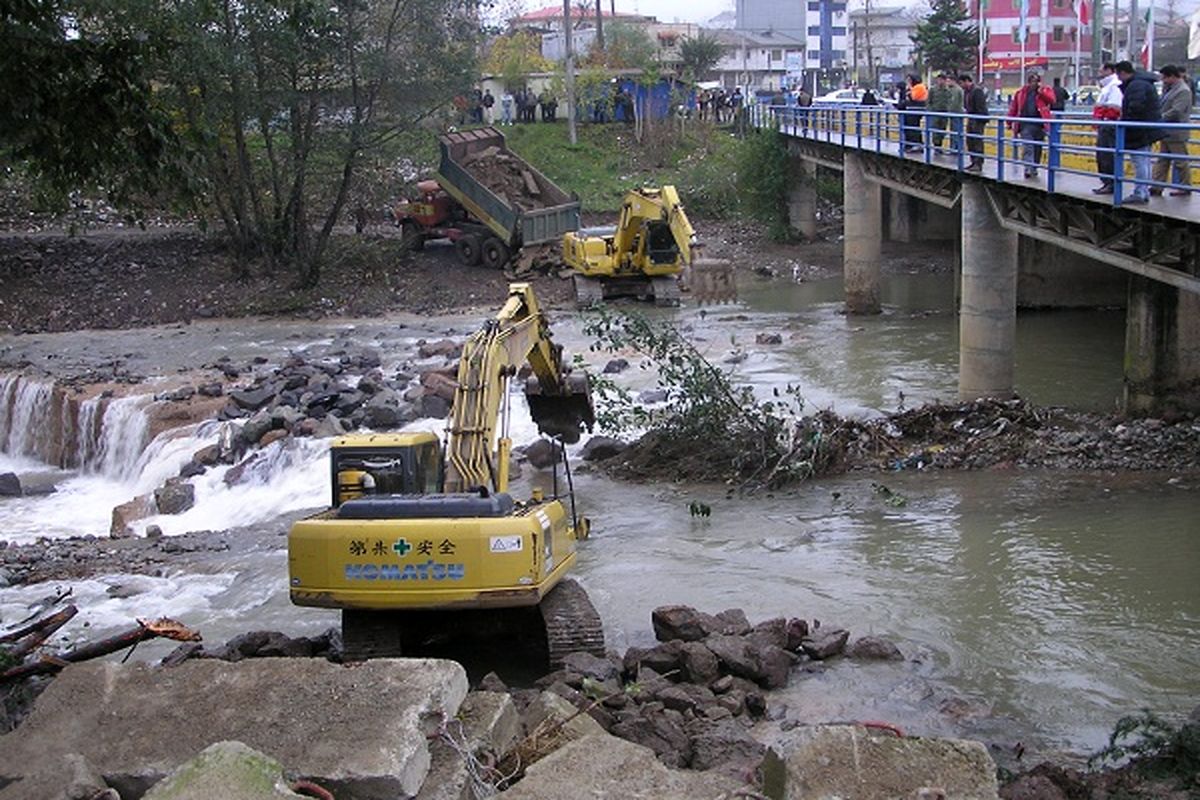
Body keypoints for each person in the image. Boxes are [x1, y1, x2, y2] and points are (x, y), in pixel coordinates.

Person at [1114, 60, 1165, 204]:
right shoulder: (1142, 82)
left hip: (1139, 129)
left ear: (1123, 73)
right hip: (1146, 127)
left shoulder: (1136, 85)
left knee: (1140, 161)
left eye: (1118, 75)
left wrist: (1125, 122)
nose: (1118, 79)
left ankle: (1140, 192)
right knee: (1144, 160)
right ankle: (1143, 191)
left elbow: (1136, 107)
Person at [1151, 65, 1193, 196]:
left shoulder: (1183, 90)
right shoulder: (1170, 89)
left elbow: (1176, 111)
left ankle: (1185, 186)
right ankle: (1157, 186)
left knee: (1180, 161)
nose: (1163, 80)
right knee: (1163, 159)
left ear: (1172, 76)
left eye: (1164, 77)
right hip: (1167, 131)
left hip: (1176, 131)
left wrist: (1159, 118)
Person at [1007, 71, 1055, 178]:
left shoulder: (1044, 91)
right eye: (1032, 81)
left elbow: (1052, 100)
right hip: (1025, 124)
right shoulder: (1021, 93)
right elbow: (1014, 108)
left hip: (1040, 124)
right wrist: (1009, 121)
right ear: (1028, 82)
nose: (1034, 84)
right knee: (1028, 146)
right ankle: (1028, 167)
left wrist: (1040, 92)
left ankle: (1034, 167)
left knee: (1038, 147)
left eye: (1036, 81)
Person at [1091, 63, 1124, 194]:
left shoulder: (1114, 86)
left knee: (1107, 155)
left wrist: (1102, 115)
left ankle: (1110, 183)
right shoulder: (1107, 86)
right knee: (1103, 155)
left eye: (1101, 69)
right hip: (1104, 124)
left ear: (1109, 70)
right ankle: (1107, 182)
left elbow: (1115, 107)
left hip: (1109, 125)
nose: (1099, 72)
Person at [959, 74, 989, 172]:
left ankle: (978, 163)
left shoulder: (977, 91)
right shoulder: (967, 92)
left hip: (977, 120)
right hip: (971, 118)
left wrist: (980, 119)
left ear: (967, 80)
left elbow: (980, 107)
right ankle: (973, 161)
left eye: (962, 83)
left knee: (977, 141)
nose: (961, 85)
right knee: (970, 141)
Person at [900, 74, 927, 151]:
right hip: (910, 110)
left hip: (916, 109)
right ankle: (909, 144)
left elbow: (913, 97)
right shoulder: (913, 88)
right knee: (909, 127)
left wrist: (909, 91)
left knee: (913, 127)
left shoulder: (919, 87)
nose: (908, 82)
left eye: (909, 80)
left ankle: (916, 144)